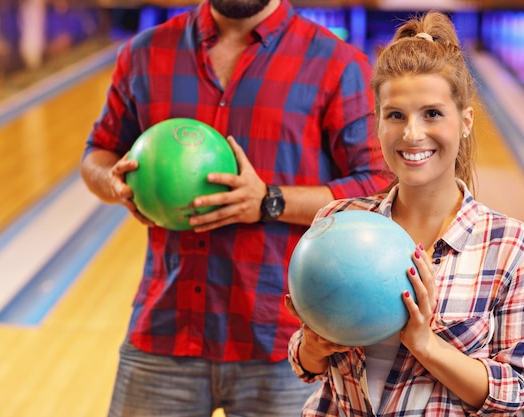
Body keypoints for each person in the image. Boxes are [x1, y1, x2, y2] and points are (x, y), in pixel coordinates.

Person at [80, 0, 392, 416]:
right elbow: (97, 154)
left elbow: (378, 186)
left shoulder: (337, 64)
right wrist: (115, 183)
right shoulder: (145, 52)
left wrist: (268, 201)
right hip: (166, 329)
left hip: (287, 347)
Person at [285, 10, 524, 417]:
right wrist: (311, 347)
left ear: (465, 121)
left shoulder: (509, 245)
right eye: (395, 116)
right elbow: (306, 366)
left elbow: (518, 398)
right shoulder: (337, 222)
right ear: (377, 123)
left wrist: (425, 343)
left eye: (432, 113)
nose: (411, 134)